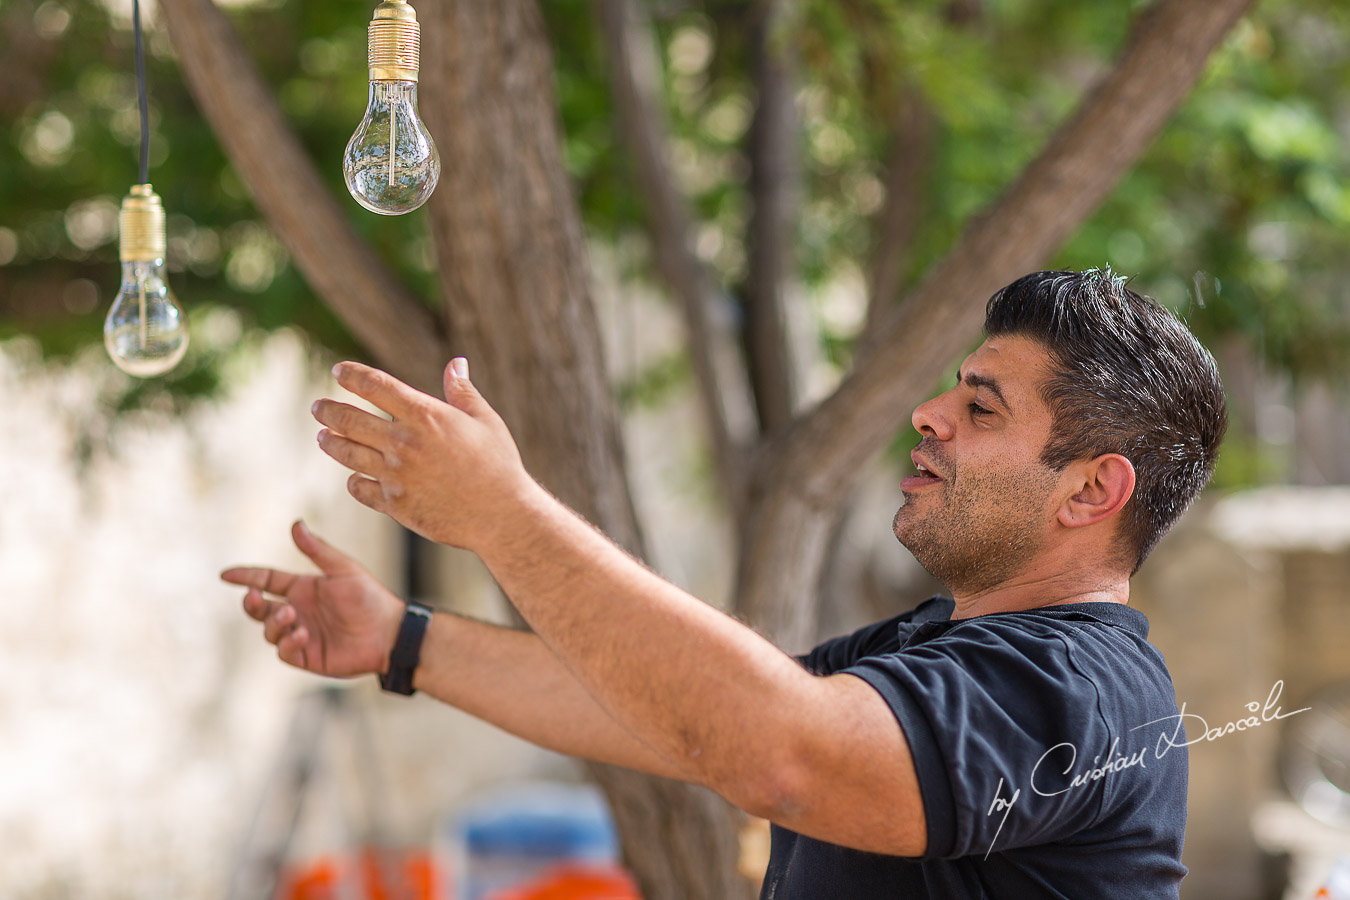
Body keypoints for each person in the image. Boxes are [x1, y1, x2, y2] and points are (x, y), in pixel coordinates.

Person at [222, 269, 1227, 898]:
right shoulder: (929, 651)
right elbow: (677, 713)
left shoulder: (1083, 695)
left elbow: (776, 755)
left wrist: (503, 516)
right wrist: (405, 639)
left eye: (981, 407)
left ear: (1093, 489)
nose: (927, 414)